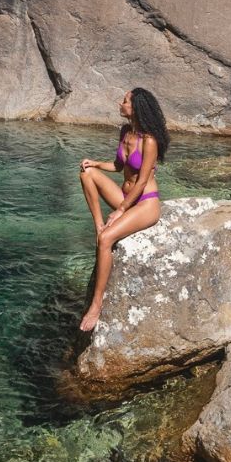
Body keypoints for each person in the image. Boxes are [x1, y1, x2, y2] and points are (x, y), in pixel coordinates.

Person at [76, 88, 170, 332]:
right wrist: (95, 163)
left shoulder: (149, 141)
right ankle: (98, 224)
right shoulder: (125, 132)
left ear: (135, 107)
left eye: (125, 101)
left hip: (145, 202)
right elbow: (119, 165)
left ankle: (96, 304)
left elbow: (141, 181)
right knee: (87, 173)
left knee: (106, 240)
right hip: (126, 196)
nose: (121, 103)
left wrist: (120, 210)